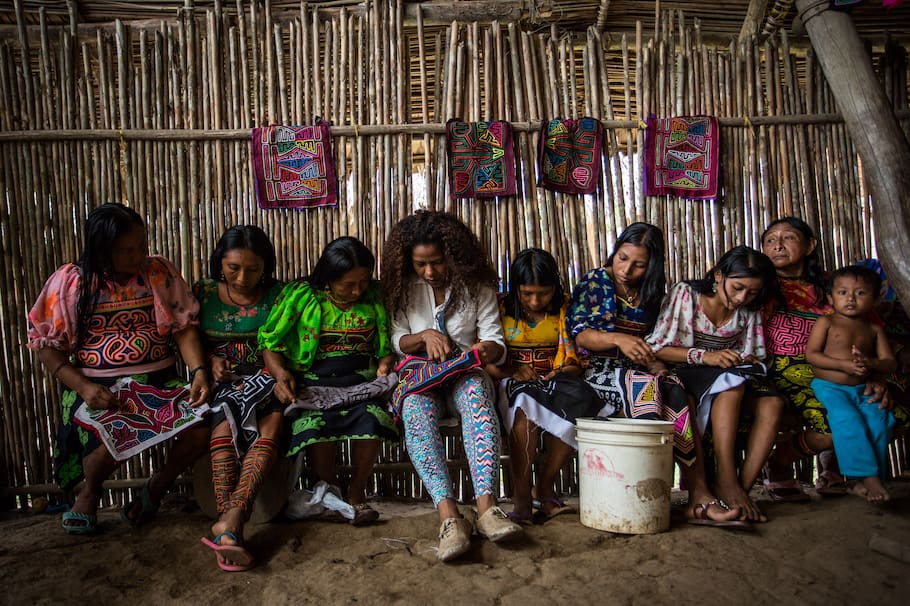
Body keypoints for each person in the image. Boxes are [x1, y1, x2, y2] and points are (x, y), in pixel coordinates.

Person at [26, 203, 211, 534]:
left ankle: (158, 485)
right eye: (126, 250)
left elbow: (183, 328)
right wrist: (83, 388)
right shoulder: (71, 282)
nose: (138, 254)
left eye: (141, 243)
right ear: (101, 251)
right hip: (99, 388)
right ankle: (91, 492)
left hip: (157, 383)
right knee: (111, 431)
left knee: (203, 424)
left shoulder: (157, 273)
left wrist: (197, 371)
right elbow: (47, 348)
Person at [567, 223, 745, 528]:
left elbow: (658, 345)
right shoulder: (597, 282)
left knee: (675, 389)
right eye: (622, 258)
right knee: (645, 392)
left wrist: (657, 365)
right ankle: (639, 496)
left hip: (643, 371)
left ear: (652, 265)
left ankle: (699, 496)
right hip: (601, 370)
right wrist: (618, 339)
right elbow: (581, 336)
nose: (626, 269)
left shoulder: (653, 294)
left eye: (638, 264)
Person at [382, 210, 522, 563]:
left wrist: (487, 349)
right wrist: (423, 337)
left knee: (476, 395)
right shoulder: (403, 287)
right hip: (421, 378)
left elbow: (494, 338)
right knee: (414, 409)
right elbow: (397, 338)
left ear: (454, 255)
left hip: (465, 374)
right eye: (420, 264)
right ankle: (449, 518)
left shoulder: (476, 286)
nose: (430, 272)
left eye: (438, 262)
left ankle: (488, 509)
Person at [259, 236, 398, 526]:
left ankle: (357, 494)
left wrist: (385, 364)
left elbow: (387, 343)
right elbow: (270, 342)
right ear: (328, 278)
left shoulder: (374, 295)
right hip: (314, 384)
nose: (357, 290)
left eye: (362, 281)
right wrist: (280, 373)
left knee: (372, 421)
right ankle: (332, 491)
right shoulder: (302, 295)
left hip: (362, 384)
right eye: (348, 284)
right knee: (314, 425)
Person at [760, 218, 897, 499]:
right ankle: (780, 463)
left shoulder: (839, 287)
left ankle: (838, 468)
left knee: (891, 417)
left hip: (851, 371)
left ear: (810, 245)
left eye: (788, 238)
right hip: (780, 369)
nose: (778, 245)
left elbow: (872, 336)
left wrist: (877, 376)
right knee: (832, 425)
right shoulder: (759, 287)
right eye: (771, 240)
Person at [647, 245, 783, 522]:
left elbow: (755, 355)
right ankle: (727, 478)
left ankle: (738, 492)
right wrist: (706, 356)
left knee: (773, 403)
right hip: (685, 371)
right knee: (731, 386)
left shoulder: (749, 308)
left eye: (752, 291)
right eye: (737, 287)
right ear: (719, 275)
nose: (742, 297)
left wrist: (739, 359)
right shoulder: (686, 294)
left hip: (727, 375)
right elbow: (657, 347)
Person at [487, 248, 600, 524]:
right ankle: (523, 496)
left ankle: (545, 486)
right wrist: (512, 370)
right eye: (527, 294)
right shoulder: (501, 309)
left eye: (543, 293)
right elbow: (486, 361)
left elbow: (578, 360)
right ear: (516, 288)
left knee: (580, 404)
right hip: (512, 381)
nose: (535, 300)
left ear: (555, 287)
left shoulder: (565, 307)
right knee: (525, 410)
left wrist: (562, 370)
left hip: (555, 380)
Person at [195, 225, 285, 571]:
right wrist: (209, 360)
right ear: (220, 262)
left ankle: (231, 522)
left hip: (265, 377)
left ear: (266, 267)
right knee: (222, 427)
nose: (243, 277)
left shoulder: (279, 295)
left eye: (253, 269)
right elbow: (186, 339)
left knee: (273, 425)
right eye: (233, 268)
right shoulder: (203, 293)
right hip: (221, 382)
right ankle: (230, 528)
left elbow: (283, 344)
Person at [806, 265, 897, 502]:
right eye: (843, 292)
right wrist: (843, 366)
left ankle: (861, 480)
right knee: (848, 420)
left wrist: (872, 363)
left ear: (876, 299)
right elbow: (812, 356)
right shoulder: (826, 323)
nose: (851, 299)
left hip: (862, 388)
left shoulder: (874, 330)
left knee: (881, 421)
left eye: (861, 293)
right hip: (830, 387)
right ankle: (870, 479)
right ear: (830, 298)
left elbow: (889, 363)